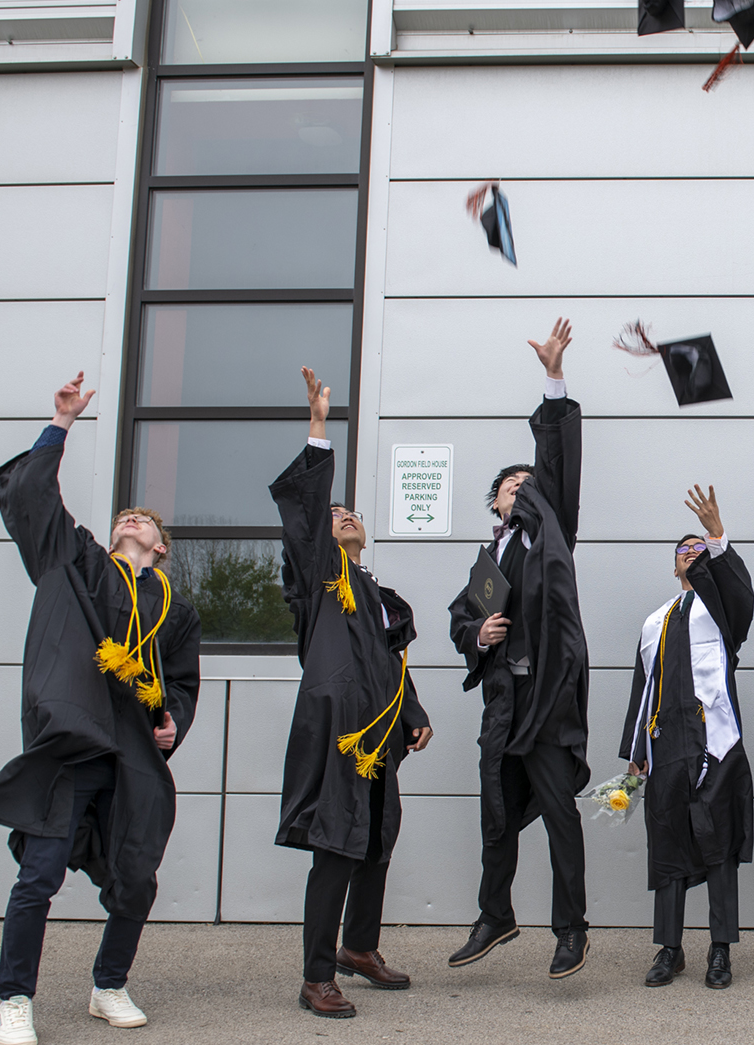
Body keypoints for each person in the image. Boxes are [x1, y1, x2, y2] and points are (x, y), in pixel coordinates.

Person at [0, 372, 201, 1045]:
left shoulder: (176, 609)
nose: (131, 521)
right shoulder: (79, 567)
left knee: (137, 878)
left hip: (131, 754)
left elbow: (184, 684)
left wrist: (173, 721)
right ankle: (15, 998)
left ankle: (109, 984)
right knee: (39, 877)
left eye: (144, 521)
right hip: (73, 746)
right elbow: (33, 502)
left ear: (161, 546)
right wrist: (63, 424)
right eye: (123, 519)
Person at [271, 367, 434, 1018]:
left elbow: (394, 660)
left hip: (378, 734)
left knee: (376, 835)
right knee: (337, 843)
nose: (341, 516)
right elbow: (309, 514)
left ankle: (359, 947)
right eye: (334, 512)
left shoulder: (378, 595)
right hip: (339, 727)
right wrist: (318, 427)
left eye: (350, 513)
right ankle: (317, 976)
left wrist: (414, 712)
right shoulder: (320, 577)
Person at [448, 319, 593, 979]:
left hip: (549, 704)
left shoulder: (550, 533)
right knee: (497, 818)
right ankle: (495, 912)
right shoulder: (491, 559)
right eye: (514, 486)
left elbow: (559, 462)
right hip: (504, 704)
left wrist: (553, 378)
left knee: (561, 818)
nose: (525, 489)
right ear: (498, 503)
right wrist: (478, 634)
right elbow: (461, 616)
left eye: (533, 483)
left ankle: (571, 929)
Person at [618, 486, 754, 989]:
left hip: (715, 746)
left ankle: (720, 950)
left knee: (717, 844)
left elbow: (740, 594)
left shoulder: (721, 611)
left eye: (699, 551)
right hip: (665, 749)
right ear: (672, 566)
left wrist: (717, 536)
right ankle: (669, 948)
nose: (692, 555)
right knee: (668, 848)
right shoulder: (654, 622)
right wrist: (636, 754)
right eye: (685, 551)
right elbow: (642, 689)